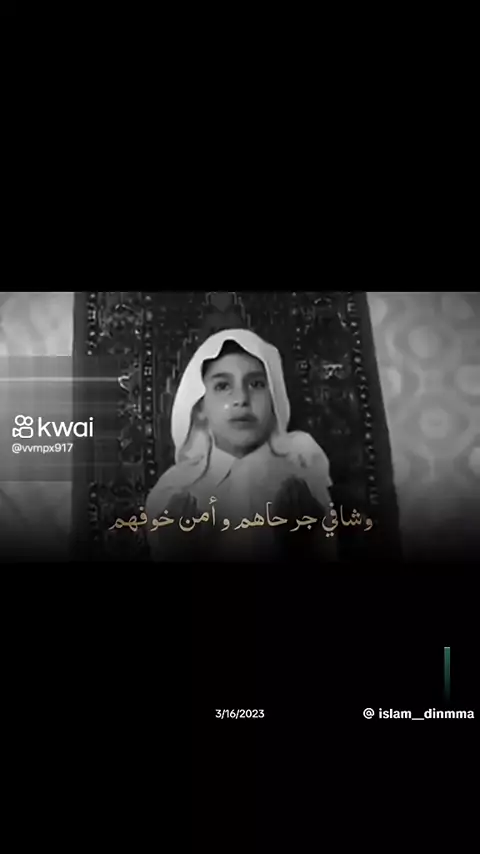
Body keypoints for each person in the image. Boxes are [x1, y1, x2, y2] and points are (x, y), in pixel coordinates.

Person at [146, 328, 337, 562]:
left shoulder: (303, 478)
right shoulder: (173, 491)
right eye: (223, 386)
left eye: (256, 384)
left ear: (274, 398)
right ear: (200, 407)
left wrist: (301, 546)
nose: (242, 399)